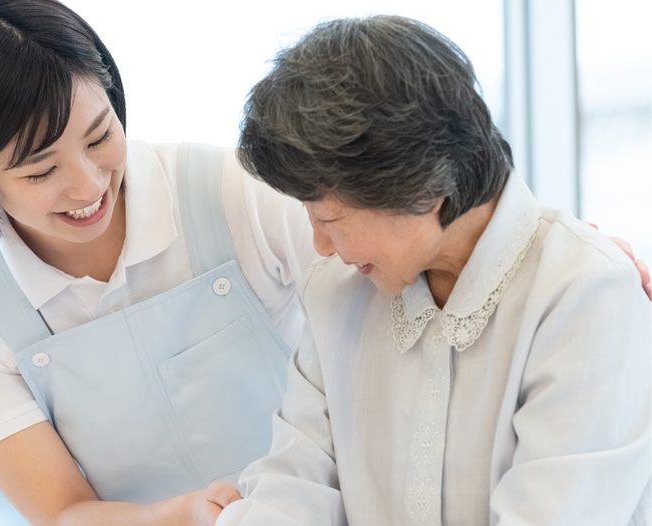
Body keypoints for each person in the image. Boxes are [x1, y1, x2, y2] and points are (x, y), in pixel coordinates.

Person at [216, 15, 651, 525]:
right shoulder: (336, 298)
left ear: (421, 185)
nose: (321, 246)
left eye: (329, 219)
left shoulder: (584, 295)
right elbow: (290, 490)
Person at [0, 0, 316, 524]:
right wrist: (182, 515)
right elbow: (62, 511)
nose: (89, 185)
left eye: (99, 137)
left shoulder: (235, 191)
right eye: (40, 171)